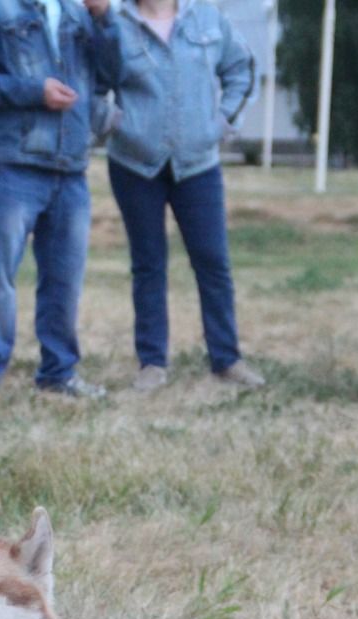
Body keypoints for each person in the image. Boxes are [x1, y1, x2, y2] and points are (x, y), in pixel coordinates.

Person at [97, 0, 264, 394]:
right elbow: (90, 82)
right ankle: (152, 363)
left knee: (213, 263)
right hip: (135, 165)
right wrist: (115, 122)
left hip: (198, 165)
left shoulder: (208, 18)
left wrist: (222, 123)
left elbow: (243, 69)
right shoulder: (116, 25)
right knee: (148, 265)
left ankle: (226, 359)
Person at [0, 0, 116, 401]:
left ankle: (59, 373)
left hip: (72, 168)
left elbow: (114, 74)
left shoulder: (80, 13)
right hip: (13, 164)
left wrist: (104, 19)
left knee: (65, 280)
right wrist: (33, 91)